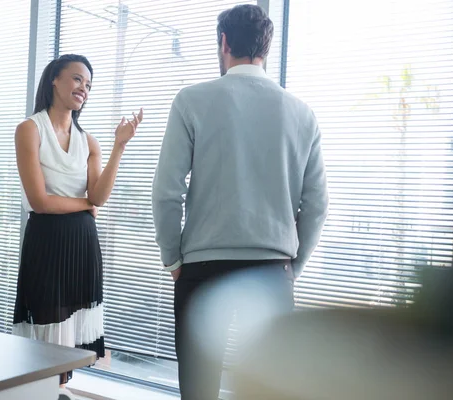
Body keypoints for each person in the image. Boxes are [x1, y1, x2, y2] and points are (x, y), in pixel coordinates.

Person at [152, 4, 329, 400]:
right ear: (266, 47)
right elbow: (316, 205)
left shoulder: (191, 100)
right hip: (272, 269)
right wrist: (289, 268)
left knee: (198, 391)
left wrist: (174, 261)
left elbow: (167, 191)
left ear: (224, 42)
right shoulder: (302, 113)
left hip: (202, 267)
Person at [12, 54, 143, 395]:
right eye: (76, 79)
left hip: (82, 244)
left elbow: (98, 196)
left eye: (88, 84)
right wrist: (84, 205)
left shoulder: (90, 142)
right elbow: (39, 201)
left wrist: (119, 146)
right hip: (48, 243)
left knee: (70, 343)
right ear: (54, 79)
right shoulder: (30, 129)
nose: (83, 88)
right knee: (46, 337)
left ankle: (57, 393)